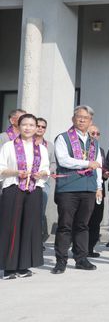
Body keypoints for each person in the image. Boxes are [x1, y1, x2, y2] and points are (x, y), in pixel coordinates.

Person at [51, 106, 103, 274]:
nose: (81, 120)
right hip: (68, 188)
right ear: (73, 119)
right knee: (65, 225)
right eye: (78, 117)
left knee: (83, 225)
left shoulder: (94, 142)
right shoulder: (63, 138)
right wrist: (87, 163)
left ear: (90, 121)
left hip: (88, 188)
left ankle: (81, 258)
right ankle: (61, 260)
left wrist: (99, 186)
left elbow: (99, 167)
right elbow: (64, 160)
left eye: (85, 118)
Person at [0, 113, 50, 279]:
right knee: (10, 226)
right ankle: (9, 267)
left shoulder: (41, 148)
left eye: (31, 125)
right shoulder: (8, 146)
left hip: (34, 190)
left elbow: (46, 170)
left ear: (36, 128)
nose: (28, 128)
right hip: (13, 188)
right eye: (24, 125)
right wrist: (16, 172)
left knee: (30, 226)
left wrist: (40, 174)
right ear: (18, 126)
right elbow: (1, 169)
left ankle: (23, 265)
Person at [86, 125, 109, 258]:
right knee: (84, 220)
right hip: (84, 188)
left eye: (97, 133)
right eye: (92, 133)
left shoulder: (100, 150)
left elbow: (103, 169)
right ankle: (80, 249)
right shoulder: (81, 150)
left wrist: (106, 174)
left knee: (96, 219)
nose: (95, 135)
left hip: (99, 190)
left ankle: (90, 248)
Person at [35, 117, 56, 244]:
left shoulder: (49, 145)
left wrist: (47, 171)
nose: (40, 128)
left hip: (44, 182)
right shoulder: (24, 143)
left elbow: (54, 163)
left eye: (43, 127)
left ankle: (38, 241)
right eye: (38, 125)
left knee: (40, 211)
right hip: (25, 181)